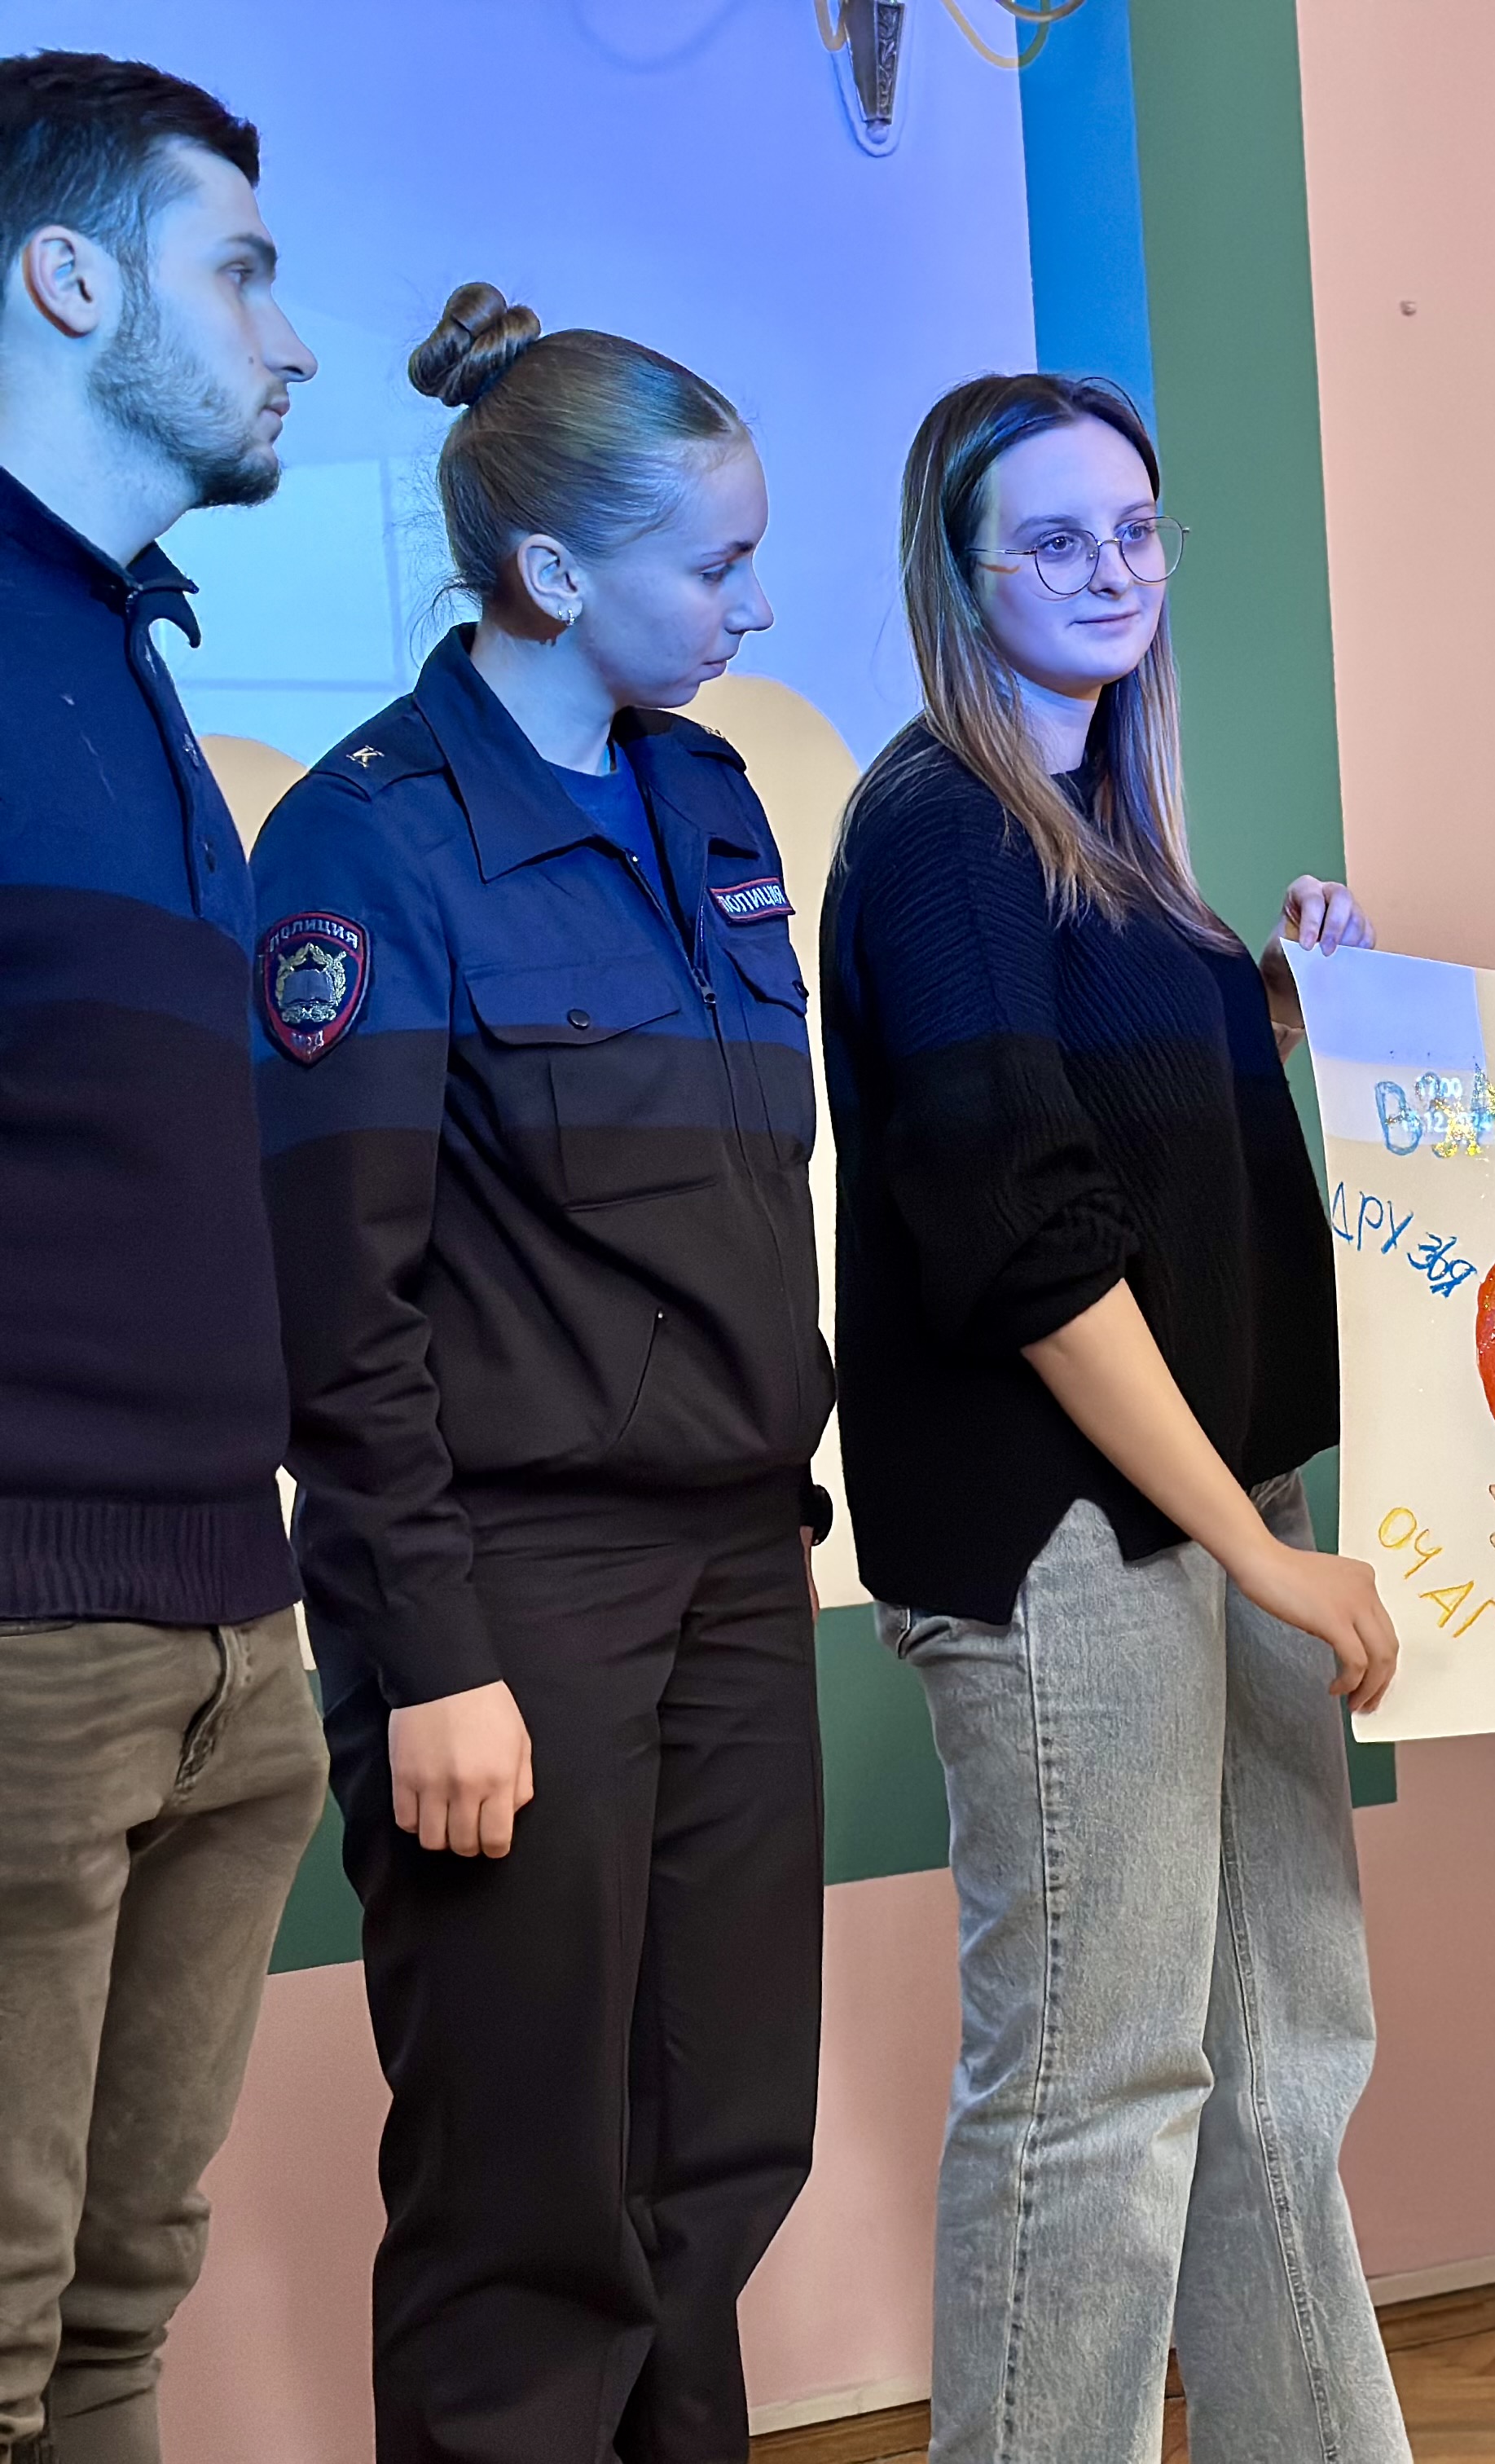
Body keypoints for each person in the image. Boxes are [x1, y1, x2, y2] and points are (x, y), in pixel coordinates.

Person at [249, 284, 833, 2462]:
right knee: (527, 2201)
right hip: (510, 1597)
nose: (750, 608)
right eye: (716, 565)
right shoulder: (371, 841)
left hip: (736, 1568)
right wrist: (434, 1660)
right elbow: (343, 1305)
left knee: (718, 2158)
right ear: (557, 572)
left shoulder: (716, 803)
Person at [822, 372, 1407, 2464]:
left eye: (1135, 531)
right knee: (1097, 2089)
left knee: (1281, 2064)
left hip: (1218, 1509)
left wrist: (1271, 1002)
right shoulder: (942, 831)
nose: (1111, 571)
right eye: (1054, 540)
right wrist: (1259, 1552)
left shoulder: (1114, 834)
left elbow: (1129, 1144)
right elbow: (1029, 1242)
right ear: (959, 575)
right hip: (1067, 1545)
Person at [0, 52, 328, 2464]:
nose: (290, 338)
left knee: (119, 2318)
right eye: (244, 273)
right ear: (68, 280)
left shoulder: (125, 650)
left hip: (235, 1626)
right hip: (30, 1644)